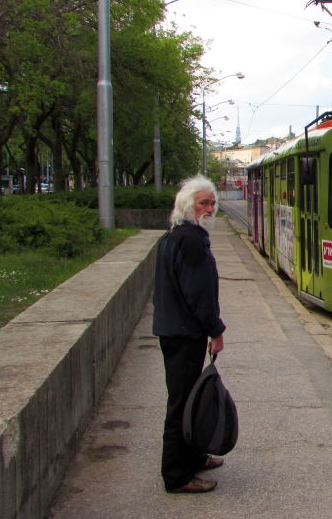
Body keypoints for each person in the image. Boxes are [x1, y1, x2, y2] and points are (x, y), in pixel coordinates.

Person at [153, 175, 226, 494]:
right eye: (203, 203)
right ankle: (177, 475)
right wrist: (216, 331)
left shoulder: (176, 236)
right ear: (188, 206)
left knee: (188, 399)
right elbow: (200, 295)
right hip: (184, 333)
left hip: (173, 329)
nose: (209, 208)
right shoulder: (192, 241)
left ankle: (194, 457)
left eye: (212, 203)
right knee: (182, 403)